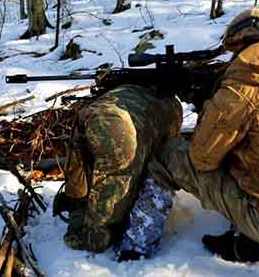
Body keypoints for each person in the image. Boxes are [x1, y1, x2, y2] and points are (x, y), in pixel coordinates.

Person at [117, 6, 259, 263]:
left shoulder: (244, 85)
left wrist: (207, 105)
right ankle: (248, 239)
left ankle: (135, 248)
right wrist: (210, 97)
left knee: (166, 156)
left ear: (241, 40)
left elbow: (202, 157)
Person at [53, 84, 183, 253]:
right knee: (117, 183)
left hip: (105, 120)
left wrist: (76, 198)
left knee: (106, 213)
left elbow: (78, 162)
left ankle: (95, 234)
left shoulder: (121, 92)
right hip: (117, 125)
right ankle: (97, 229)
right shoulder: (171, 104)